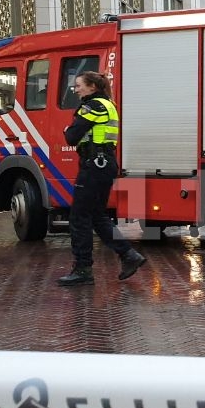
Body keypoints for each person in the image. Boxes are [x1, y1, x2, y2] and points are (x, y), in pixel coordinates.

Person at [56, 71, 145, 286]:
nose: (75, 89)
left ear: (92, 87)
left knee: (79, 218)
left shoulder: (93, 106)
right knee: (97, 216)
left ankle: (83, 269)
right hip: (103, 165)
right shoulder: (108, 104)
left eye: (78, 86)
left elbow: (72, 136)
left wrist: (68, 128)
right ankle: (129, 255)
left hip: (94, 166)